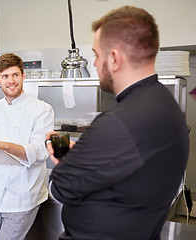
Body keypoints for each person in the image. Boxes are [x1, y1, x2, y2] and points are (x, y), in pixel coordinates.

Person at [46, 6, 189, 240]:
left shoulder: (116, 123)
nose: (93, 63)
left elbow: (59, 188)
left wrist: (69, 162)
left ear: (113, 58)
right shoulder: (167, 106)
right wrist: (83, 158)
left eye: (96, 54)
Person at [0, 53, 54, 240]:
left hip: (22, 196)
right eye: (5, 76)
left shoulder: (42, 109)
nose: (11, 81)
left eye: (15, 75)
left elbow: (39, 152)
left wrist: (1, 144)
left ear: (23, 76)